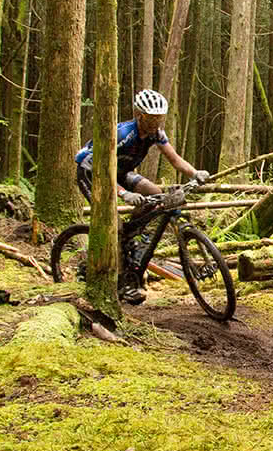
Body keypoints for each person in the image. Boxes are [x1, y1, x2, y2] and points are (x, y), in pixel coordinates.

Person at [75, 88, 211, 302]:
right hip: (93, 174)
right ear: (140, 116)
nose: (156, 122)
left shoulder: (156, 133)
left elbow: (174, 159)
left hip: (120, 171)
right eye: (152, 118)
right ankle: (121, 284)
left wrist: (195, 173)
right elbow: (103, 171)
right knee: (114, 226)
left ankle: (132, 231)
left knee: (155, 194)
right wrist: (124, 194)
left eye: (160, 117)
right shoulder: (123, 135)